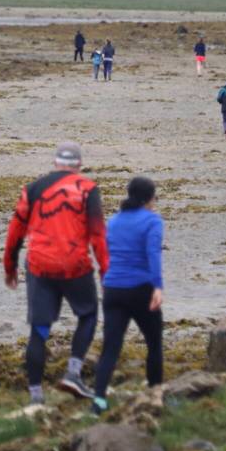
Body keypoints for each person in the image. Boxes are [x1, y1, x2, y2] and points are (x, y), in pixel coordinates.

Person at [4, 142, 109, 404]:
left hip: (40, 266)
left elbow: (15, 231)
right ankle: (72, 373)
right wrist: (106, 274)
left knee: (39, 329)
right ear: (78, 166)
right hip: (75, 265)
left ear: (55, 164)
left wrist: (10, 266)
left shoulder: (33, 189)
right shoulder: (87, 189)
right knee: (88, 314)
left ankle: (36, 397)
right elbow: (98, 235)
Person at [92, 177, 164, 415]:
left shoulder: (114, 221)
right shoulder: (152, 221)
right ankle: (155, 395)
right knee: (154, 344)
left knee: (110, 348)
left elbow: (107, 253)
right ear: (147, 198)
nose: (155, 201)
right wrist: (158, 287)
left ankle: (99, 401)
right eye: (155, 197)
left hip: (113, 290)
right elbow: (153, 255)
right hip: (140, 288)